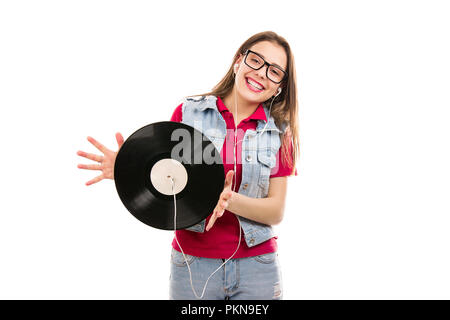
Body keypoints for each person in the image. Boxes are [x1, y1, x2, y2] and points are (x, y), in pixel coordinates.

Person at [77, 31, 299, 300]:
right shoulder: (188, 114)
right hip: (192, 264)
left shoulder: (280, 132)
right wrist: (131, 170)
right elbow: (169, 180)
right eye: (256, 60)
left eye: (274, 71)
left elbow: (275, 211)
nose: (262, 73)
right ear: (238, 61)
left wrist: (227, 199)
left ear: (279, 86)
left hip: (258, 267)